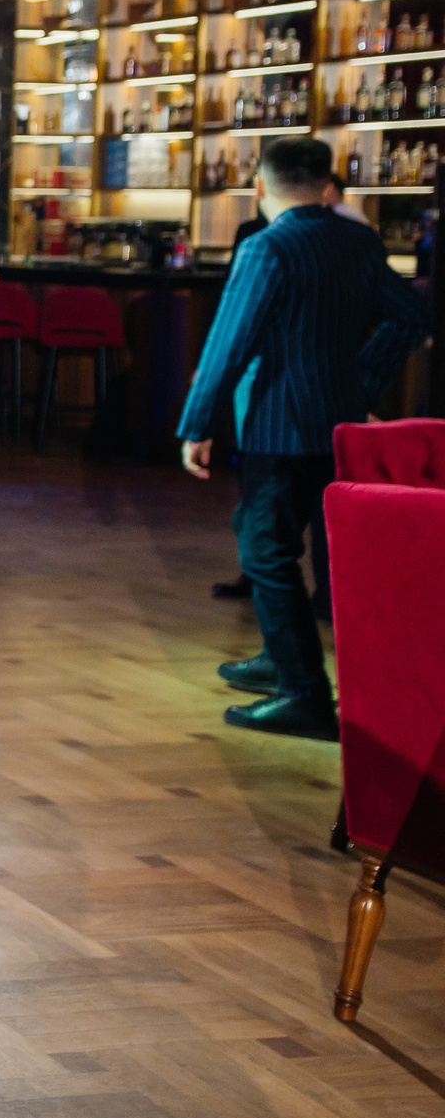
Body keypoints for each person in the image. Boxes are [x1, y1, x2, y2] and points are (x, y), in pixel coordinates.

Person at [178, 135, 426, 739]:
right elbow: (411, 316)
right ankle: (278, 656)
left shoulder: (267, 246)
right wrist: (362, 383)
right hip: (339, 421)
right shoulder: (358, 241)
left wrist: (198, 424)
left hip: (278, 422)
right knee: (275, 537)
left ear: (260, 185)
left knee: (266, 548)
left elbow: (229, 342)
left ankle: (304, 692)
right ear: (326, 185)